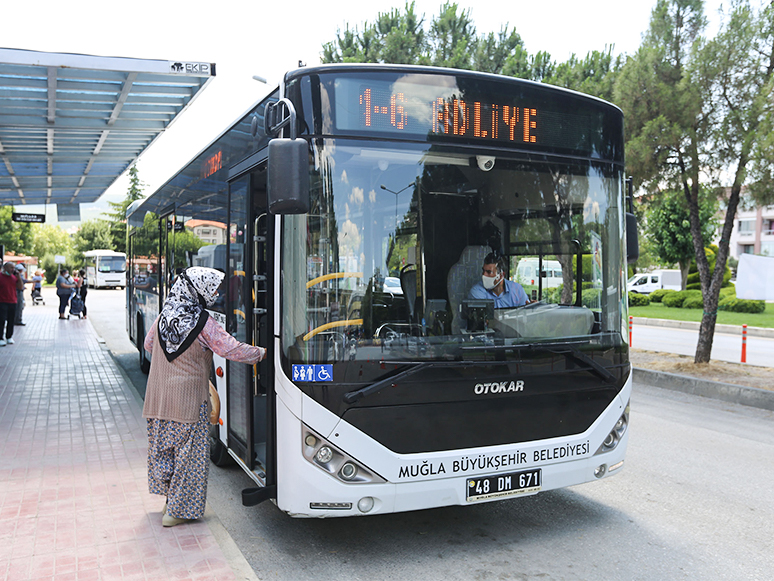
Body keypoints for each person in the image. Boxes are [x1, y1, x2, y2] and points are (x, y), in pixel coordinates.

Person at [142, 267, 266, 527]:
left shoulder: (165, 315)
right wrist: (263, 353)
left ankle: (169, 501)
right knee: (188, 456)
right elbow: (230, 348)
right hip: (188, 399)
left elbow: (149, 345)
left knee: (165, 450)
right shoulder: (203, 322)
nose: (216, 293)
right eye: (212, 288)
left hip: (157, 396)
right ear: (198, 290)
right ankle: (176, 512)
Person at [0, 261, 22, 346]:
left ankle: (9, 336)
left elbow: (20, 287)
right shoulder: (1, 277)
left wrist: (19, 277)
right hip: (2, 301)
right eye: (11, 267)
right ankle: (0, 337)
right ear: (5, 268)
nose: (13, 269)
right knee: (1, 320)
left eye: (13, 268)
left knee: (11, 320)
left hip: (12, 301)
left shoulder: (14, 277)